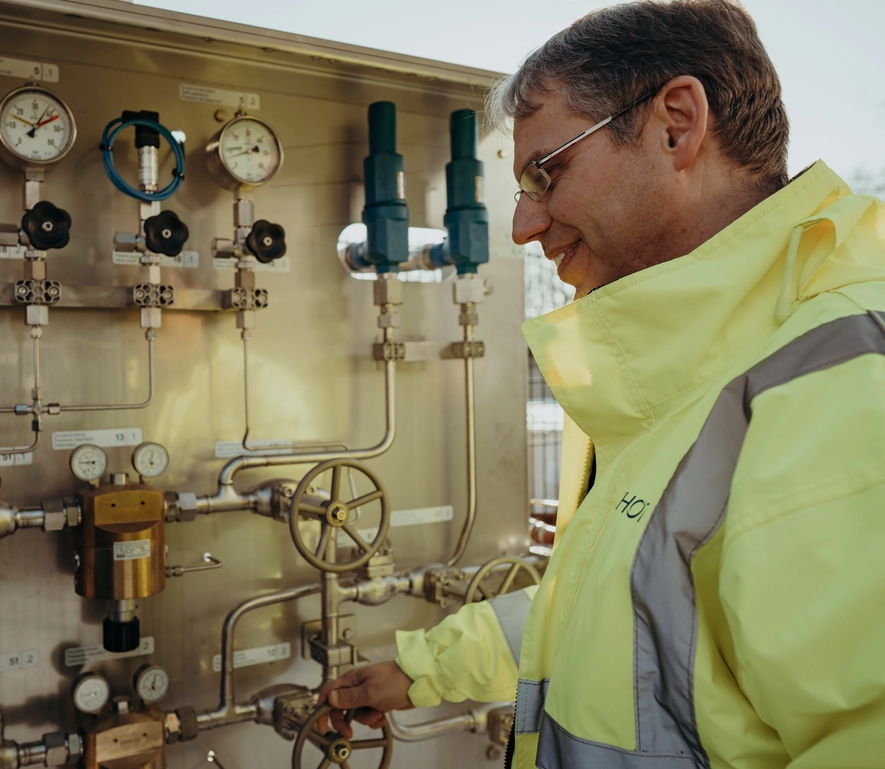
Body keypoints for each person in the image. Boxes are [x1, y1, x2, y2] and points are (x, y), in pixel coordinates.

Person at [320, 1, 885, 767]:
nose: (522, 224)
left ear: (677, 125)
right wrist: (424, 668)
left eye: (546, 173)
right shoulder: (689, 364)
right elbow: (622, 616)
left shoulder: (839, 380)